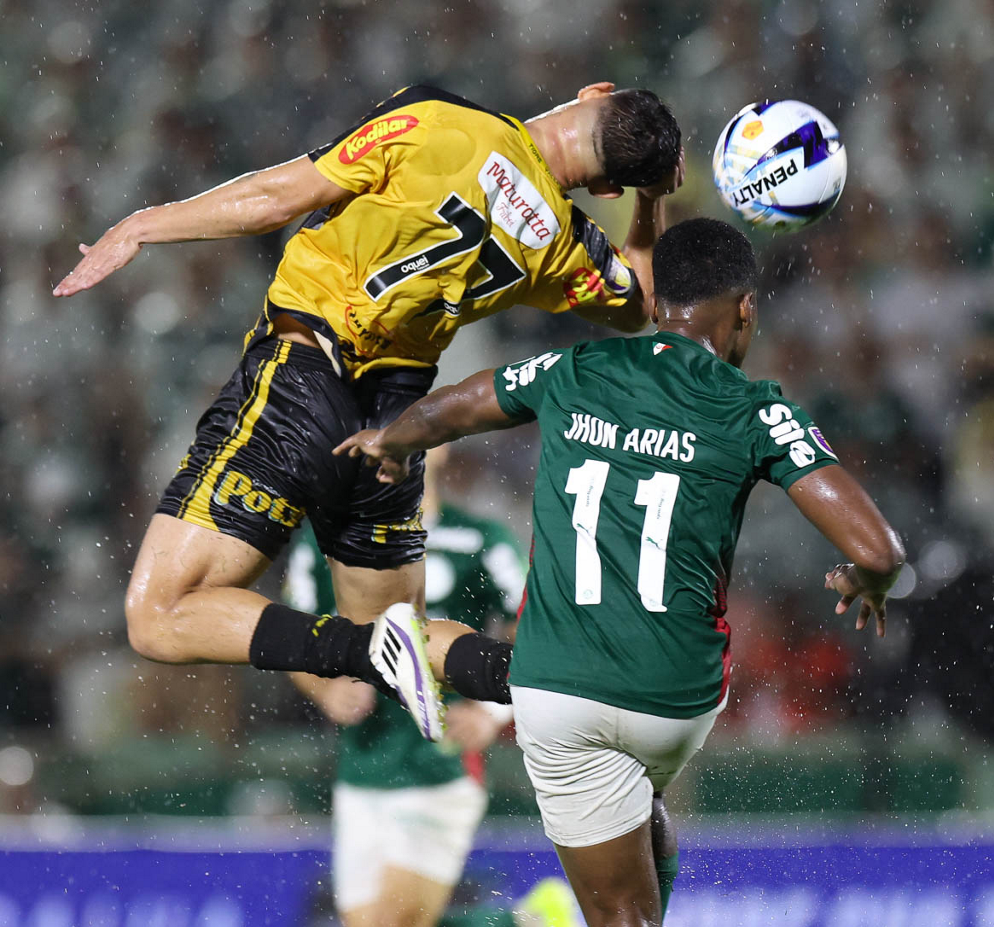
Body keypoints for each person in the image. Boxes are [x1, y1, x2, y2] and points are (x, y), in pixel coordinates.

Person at [339, 217, 906, 927]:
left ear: (654, 304)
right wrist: (863, 581)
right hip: (679, 703)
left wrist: (392, 440)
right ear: (742, 313)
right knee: (643, 815)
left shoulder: (580, 368)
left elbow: (465, 402)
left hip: (558, 698)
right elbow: (878, 546)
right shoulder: (756, 405)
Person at [53, 83, 683, 734]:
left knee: (159, 616)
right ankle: (580, 679)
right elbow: (641, 304)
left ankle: (370, 651)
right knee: (404, 630)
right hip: (392, 432)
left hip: (304, 380)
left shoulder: (439, 118)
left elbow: (278, 198)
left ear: (593, 92)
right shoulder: (568, 245)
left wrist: (143, 224)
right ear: (608, 189)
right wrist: (652, 200)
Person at [283, 450, 604, 927]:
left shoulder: (478, 539)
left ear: (441, 448)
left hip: (441, 766)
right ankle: (524, 921)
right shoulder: (324, 542)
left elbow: (545, 629)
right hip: (361, 772)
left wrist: (495, 714)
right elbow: (291, 631)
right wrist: (324, 687)